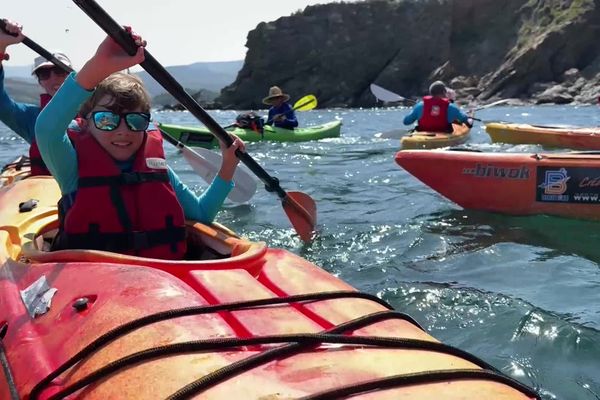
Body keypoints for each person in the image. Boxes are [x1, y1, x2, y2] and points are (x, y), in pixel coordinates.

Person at [35, 30, 245, 260]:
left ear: (147, 123)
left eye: (135, 120)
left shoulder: (156, 167)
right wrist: (97, 67)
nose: (123, 130)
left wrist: (228, 166)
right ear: (86, 122)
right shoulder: (71, 167)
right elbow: (46, 129)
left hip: (162, 278)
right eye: (106, 120)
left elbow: (202, 214)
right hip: (95, 280)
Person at [0, 19, 72, 175]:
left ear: (70, 75)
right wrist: (1, 47)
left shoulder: (96, 109)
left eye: (59, 70)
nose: (53, 78)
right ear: (40, 82)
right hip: (47, 191)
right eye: (44, 74)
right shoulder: (31, 117)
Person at [403, 81, 472, 133]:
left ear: (430, 92)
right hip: (443, 134)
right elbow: (465, 120)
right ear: (444, 92)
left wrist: (415, 110)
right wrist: (470, 118)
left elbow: (406, 122)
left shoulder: (419, 106)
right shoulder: (450, 107)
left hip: (423, 133)